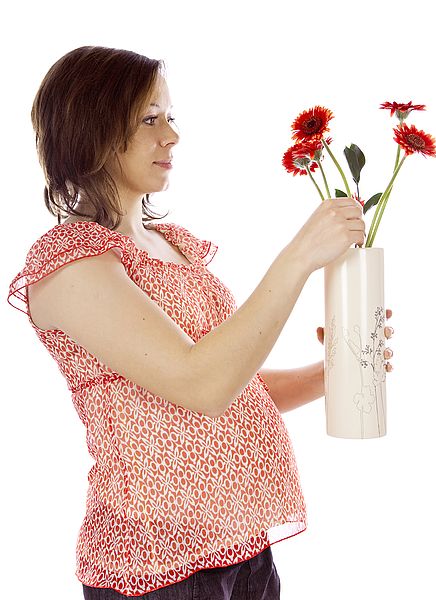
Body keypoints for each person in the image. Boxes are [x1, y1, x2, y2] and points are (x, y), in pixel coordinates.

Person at [7, 46, 394, 600]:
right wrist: (299, 257)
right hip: (154, 566)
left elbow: (227, 384)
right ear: (89, 129)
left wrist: (328, 375)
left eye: (170, 116)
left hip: (243, 548)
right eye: (149, 118)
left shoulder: (173, 247)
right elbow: (200, 383)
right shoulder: (70, 263)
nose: (172, 135)